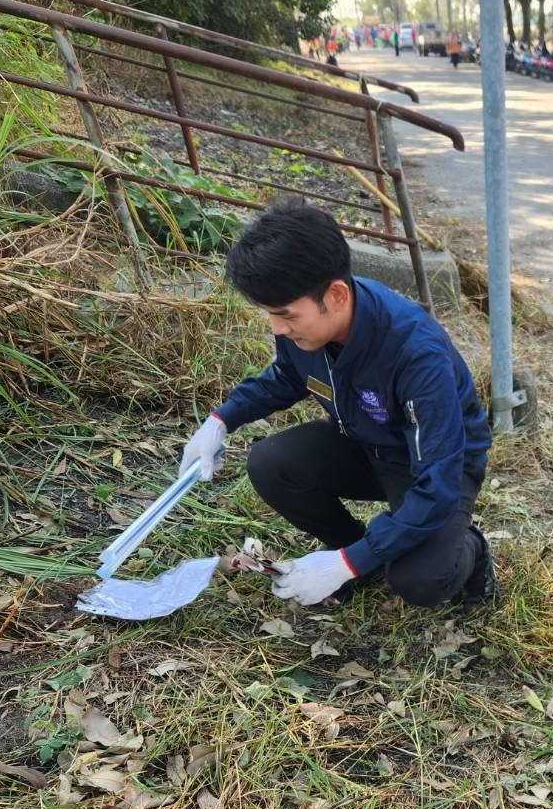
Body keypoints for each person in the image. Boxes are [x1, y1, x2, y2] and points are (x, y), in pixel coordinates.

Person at [179, 200, 495, 609]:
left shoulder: (416, 353)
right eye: (270, 315)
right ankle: (353, 553)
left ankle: (470, 551)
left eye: (285, 315)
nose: (277, 328)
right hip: (364, 441)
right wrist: (219, 422)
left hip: (431, 465)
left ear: (338, 295)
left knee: (422, 579)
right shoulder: (304, 330)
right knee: (270, 462)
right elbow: (286, 378)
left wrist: (345, 564)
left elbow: (437, 487)